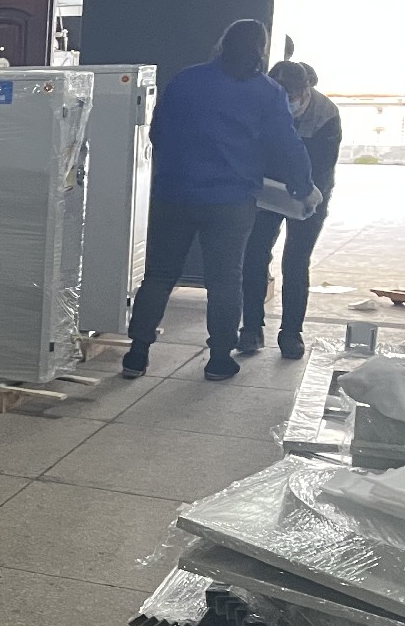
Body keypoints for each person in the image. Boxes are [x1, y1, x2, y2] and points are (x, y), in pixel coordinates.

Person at [121, 20, 317, 383]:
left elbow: (158, 131)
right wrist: (302, 188)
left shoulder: (187, 80)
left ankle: (137, 354)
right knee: (225, 280)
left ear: (222, 43)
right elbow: (286, 145)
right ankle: (219, 360)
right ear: (261, 50)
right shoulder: (267, 92)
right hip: (231, 201)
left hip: (174, 194)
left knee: (159, 275)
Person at [238, 60, 340, 360]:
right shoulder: (259, 104)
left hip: (310, 194)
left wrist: (303, 192)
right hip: (267, 192)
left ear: (306, 90)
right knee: (254, 255)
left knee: (296, 260)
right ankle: (251, 329)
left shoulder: (325, 114)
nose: (286, 104)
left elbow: (322, 166)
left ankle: (291, 333)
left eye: (291, 98)